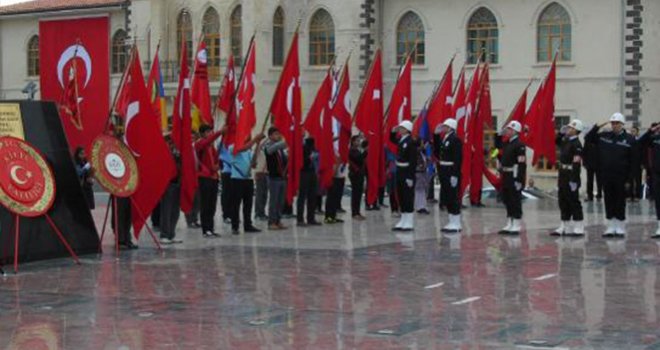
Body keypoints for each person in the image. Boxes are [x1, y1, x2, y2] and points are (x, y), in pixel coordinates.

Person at [585, 113, 638, 236]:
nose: (614, 126)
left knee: (620, 200)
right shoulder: (604, 136)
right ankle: (610, 226)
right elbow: (588, 138)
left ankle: (620, 226)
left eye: (617, 123)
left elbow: (634, 161)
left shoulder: (630, 139)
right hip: (606, 174)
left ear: (622, 124)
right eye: (613, 123)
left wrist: (630, 179)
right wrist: (597, 126)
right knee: (608, 200)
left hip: (622, 176)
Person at [551, 119, 585, 236]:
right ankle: (564, 225)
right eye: (569, 127)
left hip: (571, 175)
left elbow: (576, 164)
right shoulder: (566, 141)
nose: (568, 129)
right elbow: (556, 141)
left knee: (573, 201)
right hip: (563, 174)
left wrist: (574, 180)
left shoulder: (577, 145)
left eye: (571, 128)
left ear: (576, 131)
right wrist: (560, 133)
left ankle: (578, 225)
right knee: (563, 200)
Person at [228, 134, 265, 235]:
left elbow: (252, 163)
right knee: (236, 204)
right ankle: (235, 226)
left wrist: (257, 145)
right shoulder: (233, 147)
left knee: (248, 204)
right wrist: (255, 140)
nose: (247, 137)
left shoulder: (248, 151)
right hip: (237, 179)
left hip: (248, 179)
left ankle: (248, 224)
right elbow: (244, 148)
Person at [434, 118, 463, 233]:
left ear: (451, 127)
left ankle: (456, 222)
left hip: (451, 170)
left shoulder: (455, 140)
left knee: (453, 197)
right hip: (444, 169)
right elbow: (437, 152)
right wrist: (435, 136)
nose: (443, 128)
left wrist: (455, 175)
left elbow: (458, 158)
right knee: (447, 195)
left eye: (445, 126)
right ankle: (451, 221)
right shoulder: (445, 139)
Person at [195, 124, 224, 238]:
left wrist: (218, 165)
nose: (210, 134)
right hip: (204, 177)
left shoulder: (212, 147)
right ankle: (205, 229)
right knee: (205, 204)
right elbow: (207, 142)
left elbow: (216, 160)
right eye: (207, 132)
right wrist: (220, 132)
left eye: (211, 132)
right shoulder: (200, 144)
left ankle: (211, 228)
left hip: (213, 177)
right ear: (202, 134)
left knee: (212, 205)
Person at [498, 120, 527, 234]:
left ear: (515, 131)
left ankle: (516, 223)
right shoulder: (507, 144)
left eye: (510, 129)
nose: (507, 131)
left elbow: (521, 164)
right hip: (506, 175)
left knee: (515, 199)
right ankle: (510, 221)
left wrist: (519, 179)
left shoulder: (519, 145)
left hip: (514, 175)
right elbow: (500, 155)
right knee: (507, 199)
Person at [390, 120, 417, 231]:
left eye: (401, 128)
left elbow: (413, 161)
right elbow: (392, 139)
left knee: (408, 197)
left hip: (407, 172)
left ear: (407, 130)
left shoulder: (411, 142)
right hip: (400, 170)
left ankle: (409, 221)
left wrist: (410, 177)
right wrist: (392, 132)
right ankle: (403, 219)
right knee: (401, 195)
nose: (399, 129)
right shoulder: (402, 140)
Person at [638, 123, 660, 237]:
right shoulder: (655, 139)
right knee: (658, 200)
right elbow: (640, 142)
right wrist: (651, 130)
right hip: (656, 173)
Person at [264, 127, 288, 230]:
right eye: (275, 134)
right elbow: (272, 149)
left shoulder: (281, 150)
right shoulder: (268, 146)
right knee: (273, 201)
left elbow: (284, 160)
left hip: (282, 177)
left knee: (280, 201)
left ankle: (278, 220)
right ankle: (271, 222)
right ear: (270, 136)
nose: (277, 136)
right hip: (273, 178)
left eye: (278, 134)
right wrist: (289, 140)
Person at [160, 137, 182, 244]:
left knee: (175, 211)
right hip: (167, 184)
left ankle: (171, 234)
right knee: (166, 210)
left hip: (177, 182)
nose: (172, 144)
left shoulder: (177, 153)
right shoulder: (163, 153)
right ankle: (164, 234)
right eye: (170, 142)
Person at [298, 137, 321, 226]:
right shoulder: (303, 149)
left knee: (312, 195)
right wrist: (310, 157)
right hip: (304, 172)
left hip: (312, 172)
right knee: (302, 196)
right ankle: (300, 219)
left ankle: (311, 218)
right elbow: (302, 161)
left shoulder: (314, 149)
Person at [349, 135, 367, 220]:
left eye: (359, 141)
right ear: (352, 142)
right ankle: (354, 213)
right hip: (355, 174)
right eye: (357, 141)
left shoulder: (357, 150)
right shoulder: (352, 150)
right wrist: (366, 151)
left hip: (360, 174)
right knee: (355, 194)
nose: (358, 142)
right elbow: (359, 159)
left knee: (359, 194)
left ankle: (357, 212)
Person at [252, 139, 269, 221]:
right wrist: (265, 139)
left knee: (264, 195)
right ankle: (258, 213)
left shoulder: (265, 150)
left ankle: (262, 212)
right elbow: (260, 145)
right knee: (260, 194)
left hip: (266, 173)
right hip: (259, 173)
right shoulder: (257, 150)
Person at [583, 132, 602, 201]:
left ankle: (599, 194)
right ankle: (589, 195)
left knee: (599, 181)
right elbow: (584, 152)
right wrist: (584, 163)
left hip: (599, 164)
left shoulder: (599, 140)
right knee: (589, 181)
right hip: (589, 164)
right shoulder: (587, 141)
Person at [414, 139, 430, 215]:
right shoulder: (416, 152)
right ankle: (419, 207)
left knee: (422, 191)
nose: (423, 144)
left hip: (423, 173)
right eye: (422, 143)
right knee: (419, 191)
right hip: (418, 173)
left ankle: (423, 206)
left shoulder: (421, 152)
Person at [218, 142, 233, 224]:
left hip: (235, 172)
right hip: (226, 172)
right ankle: (226, 215)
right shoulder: (222, 144)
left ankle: (232, 214)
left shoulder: (235, 142)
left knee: (233, 195)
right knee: (226, 194)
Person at [629, 126, 642, 202]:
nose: (632, 133)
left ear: (637, 132)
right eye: (631, 131)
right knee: (630, 180)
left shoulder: (640, 141)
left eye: (634, 131)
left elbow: (642, 153)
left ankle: (637, 195)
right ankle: (630, 195)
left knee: (638, 180)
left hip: (637, 164)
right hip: (630, 164)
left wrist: (642, 163)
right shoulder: (629, 141)